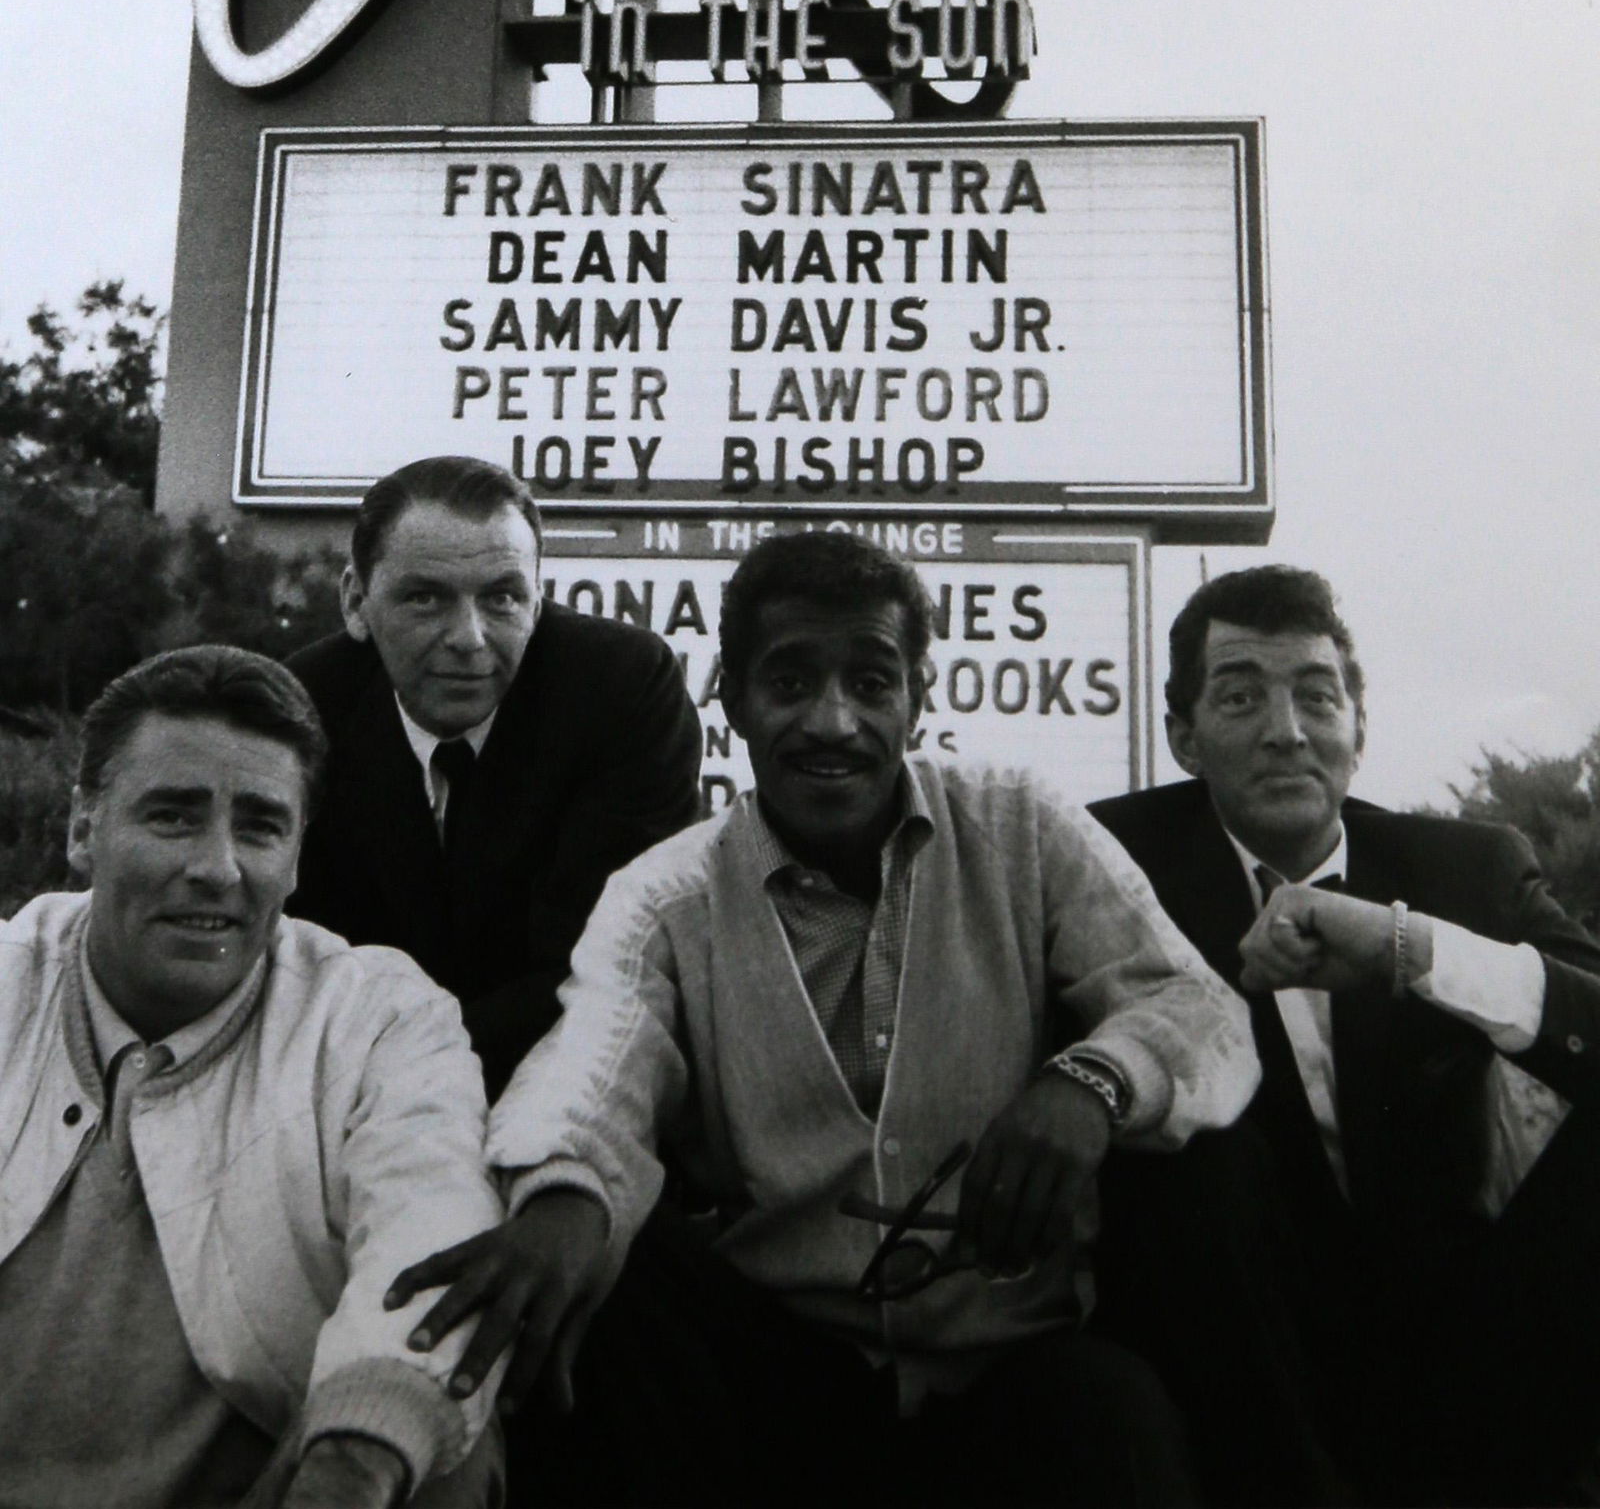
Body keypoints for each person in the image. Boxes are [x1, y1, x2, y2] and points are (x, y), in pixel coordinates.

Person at [383, 529, 1260, 1508]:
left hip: (1006, 1372)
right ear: (733, 698)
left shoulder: (1021, 824)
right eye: (791, 680)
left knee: (1119, 1414)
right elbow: (595, 1063)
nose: (832, 720)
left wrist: (1092, 1081)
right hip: (779, 1376)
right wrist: (561, 1197)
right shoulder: (666, 892)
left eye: (871, 682)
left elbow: (1199, 1007)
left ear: (917, 699)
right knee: (595, 1278)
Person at [1091, 564, 1600, 1508]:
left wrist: (1410, 948)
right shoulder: (1113, 863)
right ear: (1183, 737)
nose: (1286, 731)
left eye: (1316, 697)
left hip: (1467, 1356)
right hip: (1235, 1373)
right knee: (1181, 1140)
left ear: (1358, 731)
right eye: (1240, 697)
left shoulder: (1468, 868)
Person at [0, 645, 504, 1509]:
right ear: (84, 831)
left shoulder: (377, 1016)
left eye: (261, 827)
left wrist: (352, 1464)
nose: (219, 867)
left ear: (299, 857)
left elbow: (428, 1240)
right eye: (172, 816)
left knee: (437, 1449)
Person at [288, 455, 702, 1095]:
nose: (470, 638)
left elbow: (604, 968)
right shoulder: (304, 713)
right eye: (425, 598)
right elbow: (295, 964)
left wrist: (410, 1075)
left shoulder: (620, 692)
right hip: (345, 1094)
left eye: (502, 597)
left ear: (539, 600)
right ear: (355, 601)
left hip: (563, 1079)